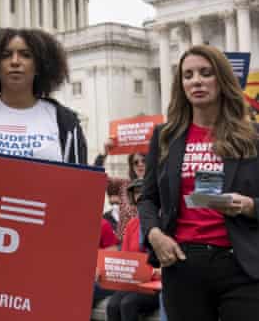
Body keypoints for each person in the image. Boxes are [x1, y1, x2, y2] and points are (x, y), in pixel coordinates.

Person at [139, 45, 259, 321]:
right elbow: (148, 198)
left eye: (206, 73)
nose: (196, 81)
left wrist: (250, 205)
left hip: (240, 264)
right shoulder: (165, 136)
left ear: (222, 80)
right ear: (181, 84)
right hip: (183, 262)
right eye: (188, 75)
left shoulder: (252, 136)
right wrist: (155, 235)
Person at [0, 28, 87, 164]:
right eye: (6, 55)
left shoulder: (65, 122)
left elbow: (77, 180)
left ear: (39, 66)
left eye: (25, 55)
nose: (15, 61)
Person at [105, 179, 160, 321]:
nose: (139, 195)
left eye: (142, 191)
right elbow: (125, 259)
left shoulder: (163, 220)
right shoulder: (132, 224)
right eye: (136, 192)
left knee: (128, 304)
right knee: (112, 305)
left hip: (156, 285)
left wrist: (152, 272)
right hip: (134, 283)